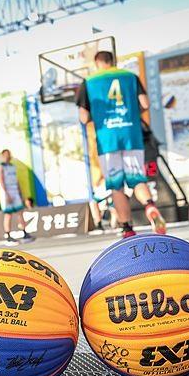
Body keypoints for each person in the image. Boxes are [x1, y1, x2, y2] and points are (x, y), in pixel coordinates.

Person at [76, 51, 166, 238]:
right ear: (113, 61)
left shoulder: (89, 81)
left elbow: (83, 117)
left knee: (116, 186)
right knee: (137, 179)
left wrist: (98, 116)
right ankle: (150, 206)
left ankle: (127, 228)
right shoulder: (130, 77)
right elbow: (145, 104)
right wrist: (130, 112)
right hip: (131, 135)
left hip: (107, 139)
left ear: (97, 63)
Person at [0, 149, 33, 245]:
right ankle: (8, 235)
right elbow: (1, 181)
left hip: (15, 191)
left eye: (9, 154)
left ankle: (25, 233)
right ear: (3, 156)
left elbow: (16, 180)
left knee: (20, 212)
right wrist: (7, 194)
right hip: (6, 192)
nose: (8, 156)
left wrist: (20, 193)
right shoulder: (0, 167)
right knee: (8, 214)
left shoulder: (12, 167)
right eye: (6, 155)